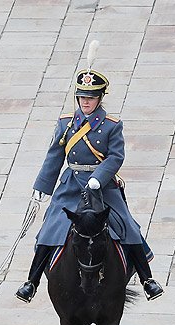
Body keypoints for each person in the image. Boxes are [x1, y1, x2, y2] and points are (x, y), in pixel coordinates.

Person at [16, 61, 162, 303]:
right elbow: (55, 155)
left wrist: (98, 178)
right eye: (81, 97)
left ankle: (147, 280)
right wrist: (42, 187)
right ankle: (31, 282)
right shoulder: (66, 123)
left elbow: (116, 156)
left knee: (128, 226)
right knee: (51, 228)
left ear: (100, 98)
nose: (85, 102)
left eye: (91, 97)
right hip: (71, 184)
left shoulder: (112, 126)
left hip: (101, 187)